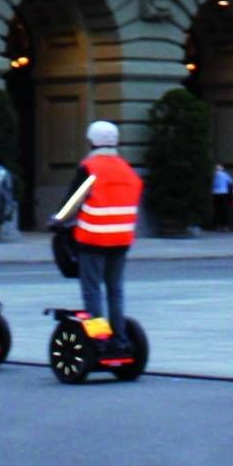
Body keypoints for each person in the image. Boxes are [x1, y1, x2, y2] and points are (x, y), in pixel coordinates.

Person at [53, 120, 141, 334]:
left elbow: (73, 201)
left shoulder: (90, 167)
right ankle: (119, 335)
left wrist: (58, 220)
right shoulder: (127, 169)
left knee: (92, 289)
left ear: (91, 142)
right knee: (115, 289)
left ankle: (98, 334)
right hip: (122, 239)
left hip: (93, 239)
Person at [209, 162, 233, 232]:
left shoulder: (214, 175)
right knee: (224, 210)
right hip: (224, 193)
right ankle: (225, 226)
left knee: (217, 209)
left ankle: (218, 225)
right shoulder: (225, 175)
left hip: (215, 194)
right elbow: (231, 182)